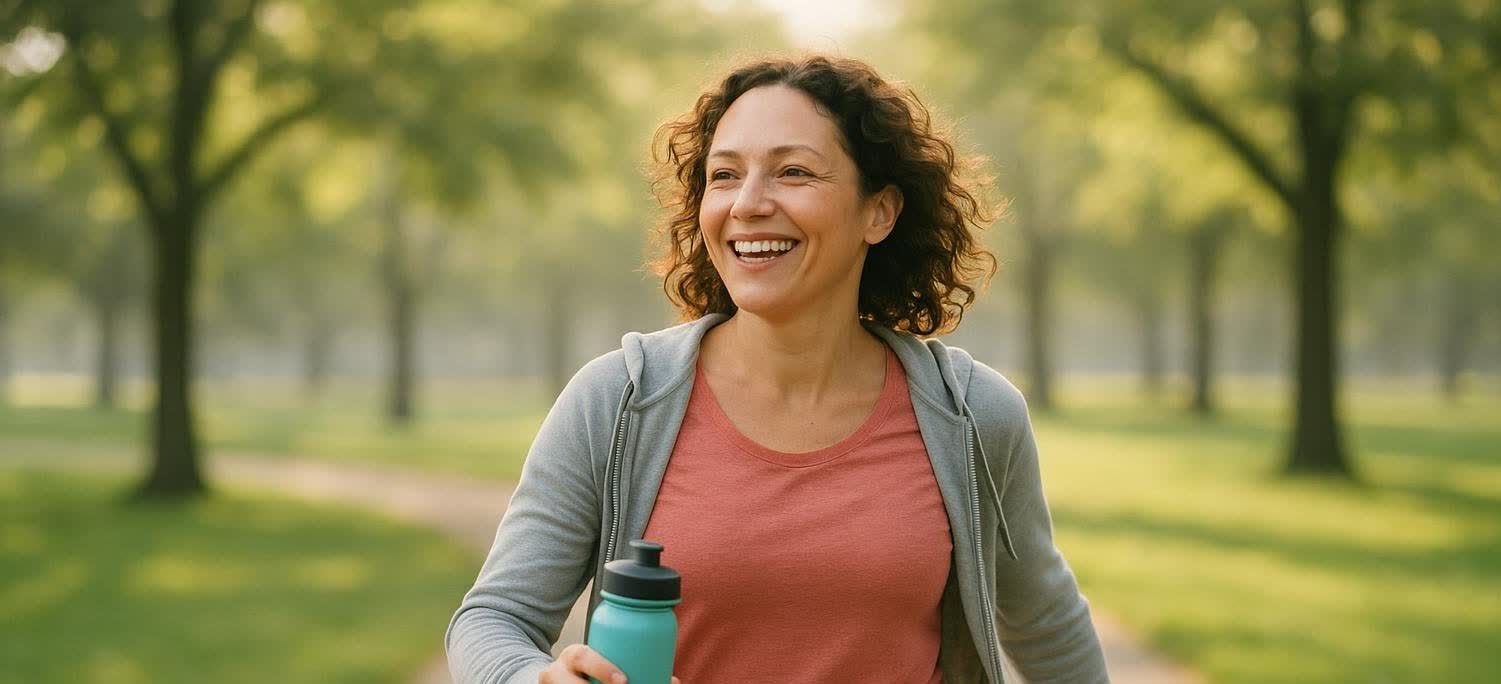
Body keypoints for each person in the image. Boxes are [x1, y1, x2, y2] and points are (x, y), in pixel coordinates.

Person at [446, 54, 1109, 684]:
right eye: (725, 175)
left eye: (793, 172)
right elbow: (494, 618)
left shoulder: (973, 415)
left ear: (878, 211)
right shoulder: (617, 401)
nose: (747, 204)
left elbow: (1048, 626)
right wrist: (534, 676)